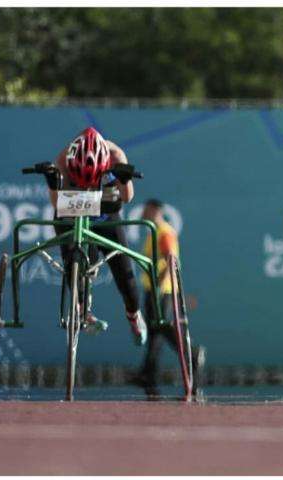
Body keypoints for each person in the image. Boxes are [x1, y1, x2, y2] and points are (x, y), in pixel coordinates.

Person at [47, 127, 148, 346]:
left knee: (126, 278)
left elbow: (128, 197)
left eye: (93, 180)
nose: (89, 185)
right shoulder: (63, 160)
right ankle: (82, 308)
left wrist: (123, 179)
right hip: (73, 213)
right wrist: (52, 182)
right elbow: (56, 203)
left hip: (106, 214)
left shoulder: (116, 156)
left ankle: (133, 315)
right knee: (76, 260)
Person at [138, 198, 182, 397]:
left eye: (147, 209)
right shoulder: (153, 232)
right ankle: (147, 372)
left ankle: (192, 352)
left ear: (155, 210)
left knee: (161, 326)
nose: (143, 213)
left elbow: (171, 259)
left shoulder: (164, 232)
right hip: (153, 288)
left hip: (161, 290)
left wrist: (159, 284)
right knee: (155, 331)